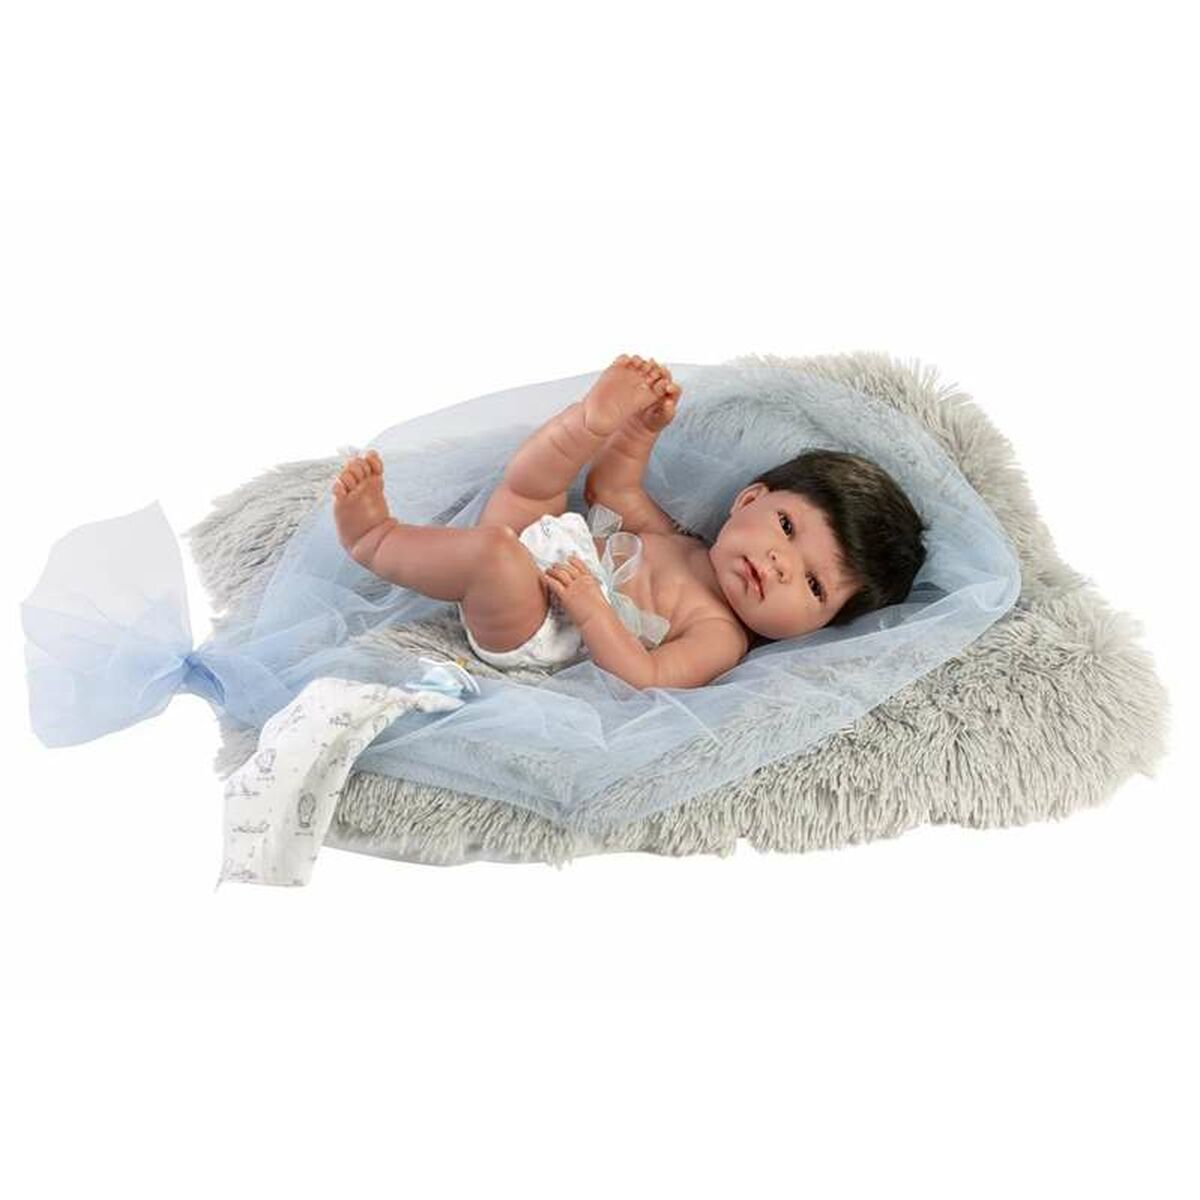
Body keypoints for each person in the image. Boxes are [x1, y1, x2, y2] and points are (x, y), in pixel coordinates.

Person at [332, 354, 927, 689]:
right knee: (532, 485)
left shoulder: (719, 635)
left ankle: (376, 539)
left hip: (542, 631)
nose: (780, 565)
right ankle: (589, 420)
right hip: (551, 549)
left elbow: (645, 673)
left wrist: (593, 609)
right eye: (788, 529)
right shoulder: (677, 539)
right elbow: (611, 490)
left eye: (814, 585)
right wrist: (639, 430)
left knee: (494, 554)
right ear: (748, 500)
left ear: (815, 629)